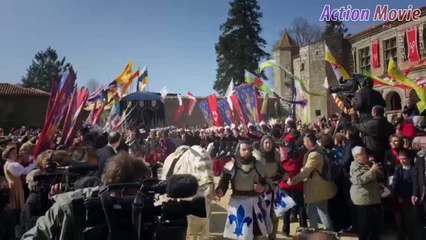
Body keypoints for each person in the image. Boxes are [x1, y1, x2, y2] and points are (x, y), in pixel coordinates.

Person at [22, 152, 150, 240]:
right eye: (134, 192)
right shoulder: (70, 206)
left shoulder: (146, 209)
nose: (139, 197)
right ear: (116, 189)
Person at [216, 140, 269, 240]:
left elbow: (267, 183)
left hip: (254, 203)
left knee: (256, 234)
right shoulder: (231, 165)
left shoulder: (258, 165)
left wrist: (262, 188)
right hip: (237, 202)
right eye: (244, 149)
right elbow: (224, 181)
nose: (247, 151)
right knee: (240, 235)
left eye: (249, 149)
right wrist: (221, 191)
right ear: (238, 150)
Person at [287, 133, 337, 230]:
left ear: (309, 142)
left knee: (311, 211)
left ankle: (314, 233)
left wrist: (293, 181)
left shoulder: (314, 155)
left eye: (305, 142)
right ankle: (329, 232)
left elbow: (306, 172)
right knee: (323, 211)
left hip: (316, 189)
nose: (304, 144)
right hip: (324, 187)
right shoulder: (320, 149)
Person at [349, 146, 382, 240]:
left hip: (374, 197)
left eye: (365, 153)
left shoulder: (369, 163)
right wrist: (371, 171)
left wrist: (377, 171)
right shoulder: (354, 166)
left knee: (375, 225)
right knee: (364, 226)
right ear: (356, 156)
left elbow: (379, 175)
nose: (365, 155)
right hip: (363, 199)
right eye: (362, 154)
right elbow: (359, 180)